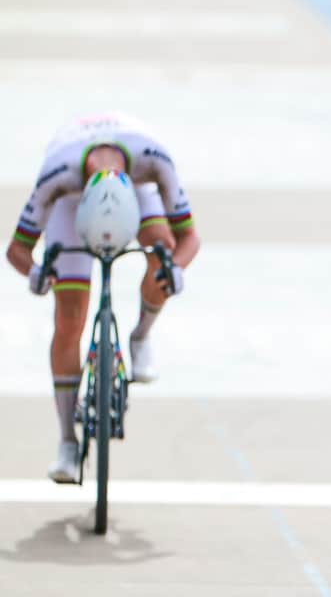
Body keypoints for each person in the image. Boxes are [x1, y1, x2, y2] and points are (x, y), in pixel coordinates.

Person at [6, 112, 200, 483]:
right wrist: (35, 272)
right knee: (69, 319)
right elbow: (17, 248)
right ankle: (67, 441)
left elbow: (190, 237)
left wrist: (175, 267)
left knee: (161, 250)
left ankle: (141, 335)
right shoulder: (57, 175)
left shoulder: (154, 160)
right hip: (71, 203)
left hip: (136, 190)